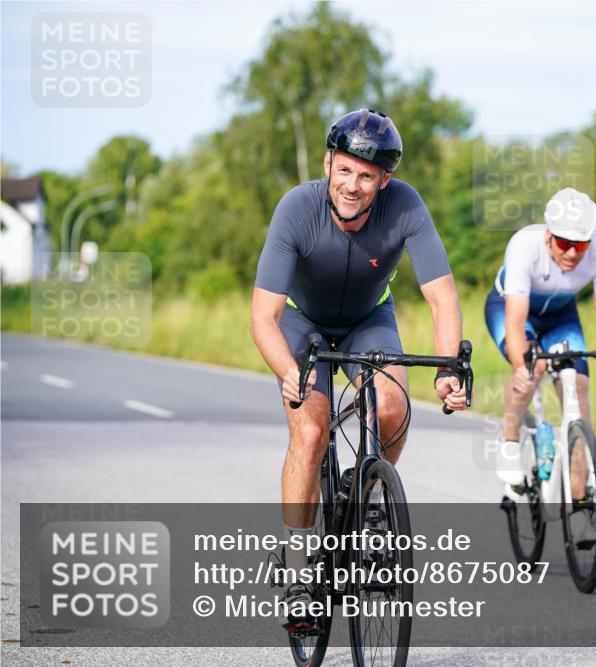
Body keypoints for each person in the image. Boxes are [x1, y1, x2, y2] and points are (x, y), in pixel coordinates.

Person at [250, 108, 467, 624]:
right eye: (344, 170)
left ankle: (368, 498)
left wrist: (448, 369)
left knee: (393, 407)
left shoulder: (406, 205)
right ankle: (300, 567)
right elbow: (264, 316)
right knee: (311, 431)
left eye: (366, 176)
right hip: (302, 324)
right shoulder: (296, 209)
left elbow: (443, 299)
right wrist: (289, 371)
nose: (352, 185)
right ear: (328, 162)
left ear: (384, 180)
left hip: (369, 318)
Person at [484, 188, 596, 500]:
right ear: (549, 235)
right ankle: (509, 442)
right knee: (533, 366)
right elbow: (515, 320)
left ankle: (579, 497)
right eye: (565, 243)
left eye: (581, 245)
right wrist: (521, 365)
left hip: (561, 317)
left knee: (579, 388)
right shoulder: (525, 245)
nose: (572, 253)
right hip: (510, 308)